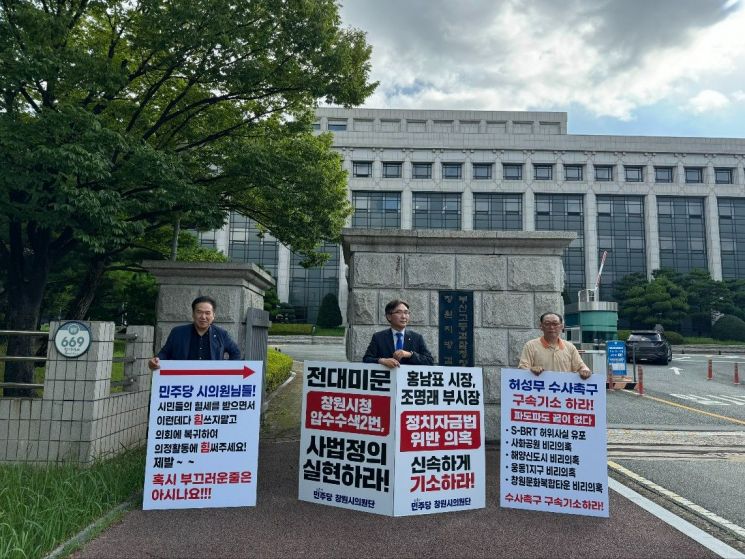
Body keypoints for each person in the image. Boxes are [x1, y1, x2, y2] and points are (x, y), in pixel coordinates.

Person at [148, 296, 241, 370]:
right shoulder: (178, 332)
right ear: (193, 314)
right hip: (183, 382)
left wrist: (228, 370)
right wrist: (156, 361)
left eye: (207, 313)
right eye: (199, 312)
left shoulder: (222, 334)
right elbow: (165, 353)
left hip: (211, 383)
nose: (203, 317)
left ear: (213, 316)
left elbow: (236, 353)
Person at [518, 312, 592, 380]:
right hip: (540, 391)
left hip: (563, 391)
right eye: (547, 324)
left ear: (561, 326)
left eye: (555, 324)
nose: (551, 327)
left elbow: (581, 367)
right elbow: (522, 369)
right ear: (541, 326)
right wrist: (531, 370)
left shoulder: (570, 347)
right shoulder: (530, 346)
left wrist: (585, 371)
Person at [363, 299, 434, 368]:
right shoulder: (378, 337)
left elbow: (429, 361)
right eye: (399, 312)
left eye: (406, 312)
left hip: (409, 378)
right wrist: (382, 361)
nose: (403, 316)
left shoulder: (417, 338)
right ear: (389, 316)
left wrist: (410, 354)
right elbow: (367, 359)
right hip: (387, 378)